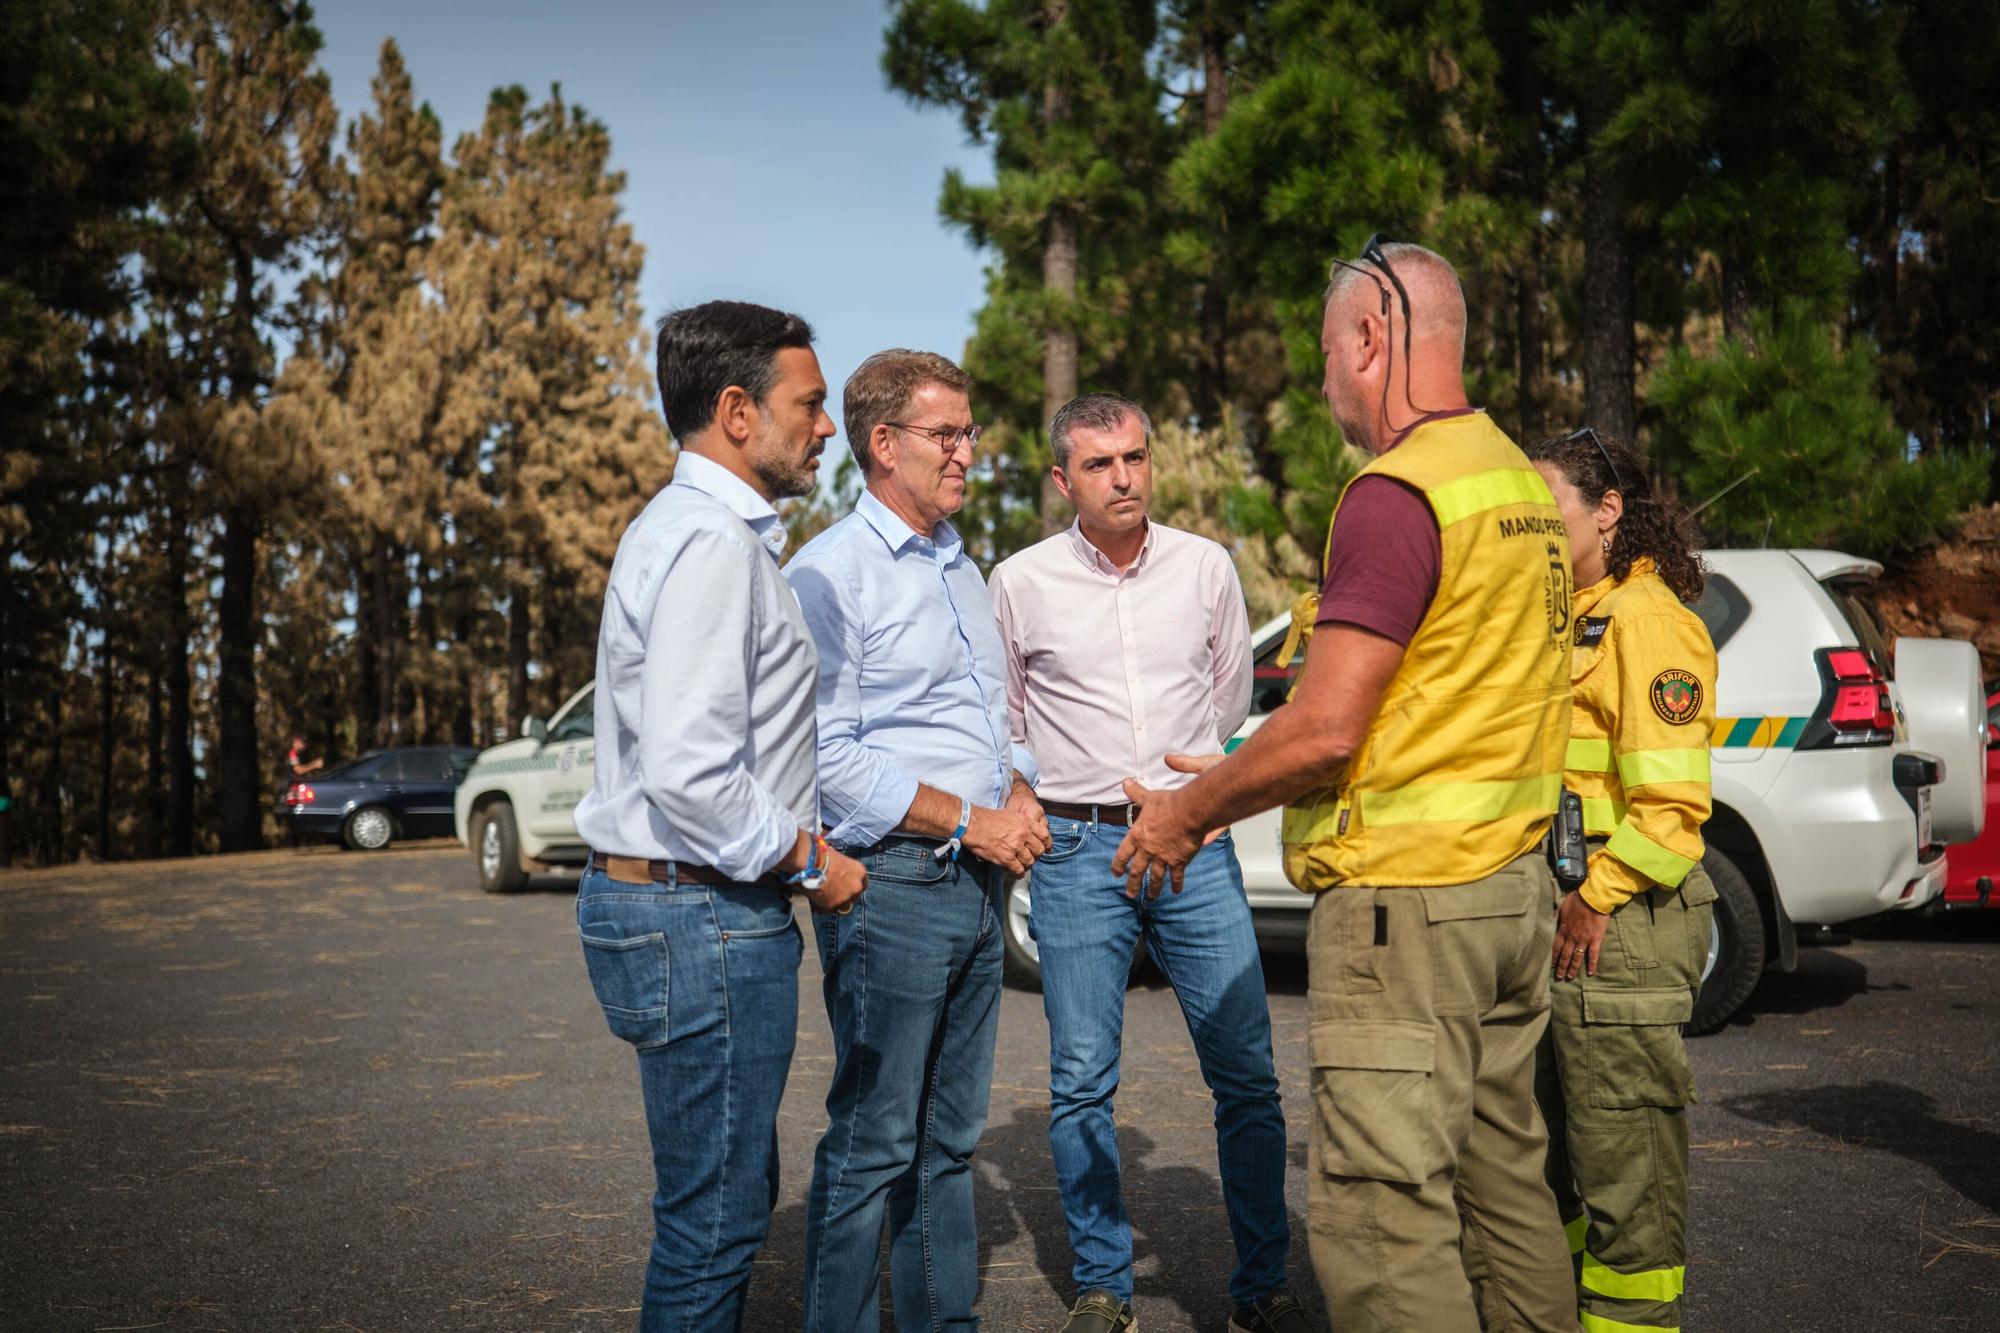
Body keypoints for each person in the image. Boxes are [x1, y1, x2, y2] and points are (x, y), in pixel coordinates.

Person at [1111, 239, 1581, 1333]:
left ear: (1371, 338)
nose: (1321, 380)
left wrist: (1187, 811)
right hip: (1509, 899)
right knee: (1502, 1185)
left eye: (1325, 353)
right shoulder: (1512, 481)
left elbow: (1327, 730)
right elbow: (1430, 693)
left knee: (1380, 1214)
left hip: (1408, 913)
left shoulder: (1393, 491)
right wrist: (1234, 763)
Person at [570, 300, 868, 1330]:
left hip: (682, 909)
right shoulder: (710, 543)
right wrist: (805, 857)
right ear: (737, 411)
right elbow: (692, 771)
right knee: (714, 1226)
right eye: (811, 404)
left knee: (712, 1209)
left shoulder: (700, 532)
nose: (826, 427)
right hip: (702, 914)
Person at [988, 393, 1311, 1333]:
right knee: (1082, 1078)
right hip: (1077, 848)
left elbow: (1227, 699)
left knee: (1246, 1072)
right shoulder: (1020, 580)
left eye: (1135, 456)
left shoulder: (1205, 567)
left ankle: (1263, 1287)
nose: (1124, 477)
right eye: (1099, 464)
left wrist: (1192, 803)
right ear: (1063, 480)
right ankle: (1103, 1286)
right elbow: (1004, 717)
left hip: (1191, 840)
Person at [784, 349, 1050, 1333]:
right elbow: (823, 757)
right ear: (881, 443)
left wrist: (1015, 787)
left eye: (970, 432)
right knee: (872, 1140)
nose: (967, 453)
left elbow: (988, 722)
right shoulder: (825, 574)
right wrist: (973, 817)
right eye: (948, 434)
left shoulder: (959, 564)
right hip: (889, 888)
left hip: (975, 893)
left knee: (947, 1143)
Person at [1524, 426, 1718, 1333]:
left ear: (1608, 511)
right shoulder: (1573, 611)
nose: (1533, 527)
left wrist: (1593, 895)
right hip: (1567, 909)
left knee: (1625, 1165)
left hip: (1619, 918)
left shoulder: (1649, 621)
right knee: (1559, 1153)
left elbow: (1672, 807)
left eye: (1548, 509)